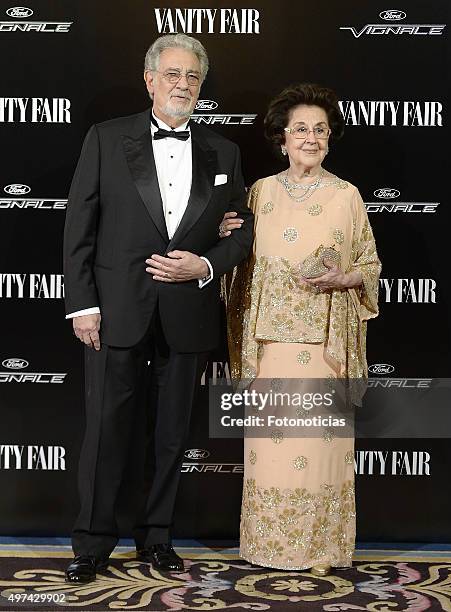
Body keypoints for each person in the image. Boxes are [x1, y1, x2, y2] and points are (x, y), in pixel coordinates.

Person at [63, 33, 253, 583]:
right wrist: (82, 306)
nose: (183, 85)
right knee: (105, 430)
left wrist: (206, 265)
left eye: (192, 77)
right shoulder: (106, 138)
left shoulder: (226, 152)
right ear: (150, 80)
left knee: (172, 436)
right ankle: (93, 543)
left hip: (187, 311)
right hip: (116, 309)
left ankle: (157, 538)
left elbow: (241, 233)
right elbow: (80, 227)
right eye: (172, 74)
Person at [221, 83, 381, 575]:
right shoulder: (260, 193)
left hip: (325, 346)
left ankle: (320, 550)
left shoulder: (346, 196)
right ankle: (268, 547)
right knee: (273, 450)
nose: (310, 138)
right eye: (300, 129)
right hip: (270, 342)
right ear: (282, 138)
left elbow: (370, 267)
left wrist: (344, 276)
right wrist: (226, 235)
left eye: (320, 130)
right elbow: (237, 266)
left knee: (318, 450)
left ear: (329, 138)